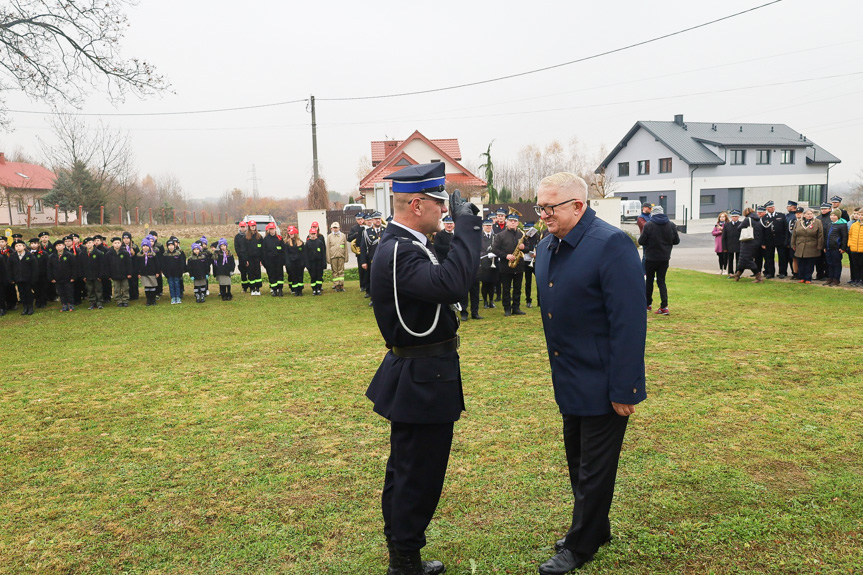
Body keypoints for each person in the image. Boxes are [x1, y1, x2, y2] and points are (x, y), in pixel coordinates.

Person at [366, 162, 480, 575]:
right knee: (419, 475)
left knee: (408, 469)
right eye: (439, 203)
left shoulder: (408, 245)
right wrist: (468, 228)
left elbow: (452, 270)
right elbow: (451, 284)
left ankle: (403, 554)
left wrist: (454, 234)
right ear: (417, 204)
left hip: (422, 375)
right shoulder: (401, 251)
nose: (444, 211)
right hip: (423, 379)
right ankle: (405, 561)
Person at [533, 172, 646, 575]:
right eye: (540, 206)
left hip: (603, 381)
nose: (543, 214)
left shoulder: (611, 245)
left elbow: (629, 322)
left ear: (578, 206)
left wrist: (626, 388)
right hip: (569, 377)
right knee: (578, 460)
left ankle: (581, 545)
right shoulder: (548, 246)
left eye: (551, 207)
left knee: (594, 469)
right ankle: (595, 527)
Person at [638, 205, 679, 314]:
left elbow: (641, 241)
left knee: (649, 281)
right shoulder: (671, 225)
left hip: (651, 257)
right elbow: (676, 241)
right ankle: (664, 306)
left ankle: (648, 304)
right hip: (664, 257)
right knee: (661, 281)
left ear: (653, 214)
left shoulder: (649, 225)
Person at [491, 212, 527, 316]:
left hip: (519, 266)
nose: (512, 223)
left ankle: (516, 308)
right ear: (507, 222)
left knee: (517, 288)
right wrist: (506, 256)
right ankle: (507, 308)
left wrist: (524, 248)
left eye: (515, 221)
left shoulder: (521, 234)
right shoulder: (500, 235)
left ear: (517, 223)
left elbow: (528, 248)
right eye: (511, 221)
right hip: (505, 267)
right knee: (506, 289)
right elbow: (494, 249)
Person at [791, 208, 823, 284]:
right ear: (804, 215)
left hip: (812, 246)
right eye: (808, 214)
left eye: (811, 214)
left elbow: (820, 235)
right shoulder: (798, 222)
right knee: (801, 263)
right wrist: (793, 244)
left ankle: (808, 278)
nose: (810, 215)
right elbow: (794, 234)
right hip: (800, 246)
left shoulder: (817, 222)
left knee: (810, 263)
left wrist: (819, 246)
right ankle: (802, 277)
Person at [732, 207, 764, 282]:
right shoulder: (758, 220)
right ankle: (737, 275)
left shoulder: (748, 219)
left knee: (747, 259)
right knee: (743, 259)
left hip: (748, 242)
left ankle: (758, 276)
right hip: (755, 242)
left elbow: (739, 228)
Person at [8, 239, 37, 315]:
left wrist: (33, 278)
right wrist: (11, 278)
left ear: (24, 246)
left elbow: (34, 268)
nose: (18, 247)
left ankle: (30, 307)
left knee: (28, 293)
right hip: (18, 278)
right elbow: (9, 269)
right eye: (16, 246)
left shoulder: (30, 256)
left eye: (20, 245)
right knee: (22, 293)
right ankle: (25, 307)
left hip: (28, 279)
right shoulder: (12, 257)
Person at [48, 239, 77, 312]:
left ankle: (70, 304)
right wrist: (51, 277)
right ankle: (64, 304)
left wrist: (73, 277)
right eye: (57, 246)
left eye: (60, 245)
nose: (59, 247)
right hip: (57, 278)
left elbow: (74, 267)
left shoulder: (69, 255)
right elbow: (49, 268)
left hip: (68, 277)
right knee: (61, 292)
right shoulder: (52, 256)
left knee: (69, 291)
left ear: (64, 246)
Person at [824, 209, 848, 287]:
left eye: (834, 215)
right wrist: (825, 246)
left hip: (836, 248)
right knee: (829, 263)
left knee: (836, 264)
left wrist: (843, 247)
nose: (832, 217)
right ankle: (830, 278)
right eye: (831, 215)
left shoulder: (842, 225)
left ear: (838, 216)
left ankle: (836, 279)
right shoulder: (829, 224)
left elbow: (844, 237)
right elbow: (826, 236)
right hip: (828, 247)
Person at [764, 200, 787, 278]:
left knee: (782, 257)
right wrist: (763, 242)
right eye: (770, 207)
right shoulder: (764, 218)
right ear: (767, 209)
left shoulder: (781, 216)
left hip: (780, 240)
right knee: (769, 257)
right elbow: (762, 231)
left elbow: (785, 229)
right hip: (769, 240)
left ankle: (782, 272)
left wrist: (786, 240)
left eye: (773, 206)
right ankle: (770, 273)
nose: (772, 208)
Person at [81, 237, 104, 310]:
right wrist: (83, 276)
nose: (89, 244)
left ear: (93, 243)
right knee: (90, 289)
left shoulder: (98, 253)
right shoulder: (82, 254)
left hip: (96, 276)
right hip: (87, 275)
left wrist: (100, 275)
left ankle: (99, 303)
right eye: (87, 243)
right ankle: (92, 303)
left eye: (90, 243)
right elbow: (81, 266)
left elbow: (102, 265)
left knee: (98, 289)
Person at [479, 218, 498, 309]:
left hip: (493, 263)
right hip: (483, 262)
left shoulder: (495, 236)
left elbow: (498, 248)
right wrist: (486, 254)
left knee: (492, 282)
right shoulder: (479, 237)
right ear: (483, 226)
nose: (488, 227)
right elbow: (478, 250)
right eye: (486, 225)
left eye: (490, 225)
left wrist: (495, 253)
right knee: (485, 283)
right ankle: (485, 301)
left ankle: (491, 301)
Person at [263, 222, 285, 296]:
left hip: (278, 260)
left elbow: (283, 250)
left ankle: (280, 290)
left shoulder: (279, 238)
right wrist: (265, 262)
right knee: (272, 275)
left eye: (273, 229)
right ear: (268, 230)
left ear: (275, 229)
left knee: (279, 275)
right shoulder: (266, 239)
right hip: (270, 261)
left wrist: (283, 260)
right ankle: (274, 290)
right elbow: (264, 251)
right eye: (271, 229)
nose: (272, 231)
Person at [348, 212, 368, 293]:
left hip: (368, 250)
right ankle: (362, 285)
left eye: (361, 219)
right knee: (361, 269)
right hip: (359, 251)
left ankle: (368, 285)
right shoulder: (354, 228)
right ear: (356, 220)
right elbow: (349, 238)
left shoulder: (366, 227)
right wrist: (356, 234)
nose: (360, 221)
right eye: (358, 219)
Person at [138, 238, 161, 306]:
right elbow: (137, 265)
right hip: (144, 273)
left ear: (149, 247)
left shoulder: (153, 254)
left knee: (152, 286)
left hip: (152, 273)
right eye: (144, 246)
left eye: (147, 246)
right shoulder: (139, 255)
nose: (145, 247)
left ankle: (153, 299)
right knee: (147, 287)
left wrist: (157, 272)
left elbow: (157, 264)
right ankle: (148, 299)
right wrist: (138, 273)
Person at [305, 223, 326, 296]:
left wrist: (324, 263)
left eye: (314, 234)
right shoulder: (307, 243)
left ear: (316, 234)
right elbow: (306, 255)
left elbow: (323, 253)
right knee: (313, 276)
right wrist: (307, 264)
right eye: (312, 234)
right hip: (311, 263)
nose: (313, 235)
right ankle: (314, 289)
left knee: (319, 276)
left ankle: (319, 288)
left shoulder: (320, 242)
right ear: (309, 234)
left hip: (319, 262)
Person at [326, 221, 348, 292]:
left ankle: (341, 285)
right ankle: (336, 285)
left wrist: (346, 257)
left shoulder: (343, 235)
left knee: (341, 271)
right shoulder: (329, 236)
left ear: (339, 228)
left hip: (341, 256)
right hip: (333, 257)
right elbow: (328, 248)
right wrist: (328, 258)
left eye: (336, 228)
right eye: (334, 228)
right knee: (335, 271)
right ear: (331, 228)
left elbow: (345, 247)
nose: (335, 229)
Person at [162, 239, 186, 304]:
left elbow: (181, 264)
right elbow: (163, 265)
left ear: (174, 245)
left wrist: (181, 272)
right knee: (171, 285)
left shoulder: (178, 253)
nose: (171, 246)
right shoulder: (165, 254)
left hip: (177, 273)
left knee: (177, 285)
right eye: (169, 245)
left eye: (172, 245)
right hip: (169, 274)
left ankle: (178, 297)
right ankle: (173, 297)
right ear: (167, 246)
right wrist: (165, 273)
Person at [284, 226, 306, 296]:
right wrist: (287, 263)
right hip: (292, 263)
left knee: (300, 276)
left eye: (292, 234)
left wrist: (303, 263)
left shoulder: (301, 243)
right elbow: (286, 254)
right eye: (290, 234)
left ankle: (300, 290)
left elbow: (303, 254)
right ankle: (296, 290)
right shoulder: (287, 244)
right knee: (294, 276)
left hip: (299, 263)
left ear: (295, 234)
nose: (290, 235)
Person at [848, 208, 863, 287]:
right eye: (859, 215)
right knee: (855, 265)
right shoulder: (854, 225)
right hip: (854, 249)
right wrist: (850, 244)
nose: (860, 216)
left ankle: (861, 280)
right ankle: (856, 279)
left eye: (862, 215)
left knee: (861, 265)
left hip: (862, 249)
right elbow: (850, 235)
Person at [234, 222, 249, 292]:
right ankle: (244, 287)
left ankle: (251, 286)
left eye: (244, 227)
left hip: (249, 257)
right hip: (241, 258)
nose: (243, 228)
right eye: (242, 227)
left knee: (250, 272)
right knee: (243, 272)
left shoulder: (248, 235)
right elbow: (236, 247)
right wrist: (241, 255)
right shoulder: (237, 237)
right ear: (240, 228)